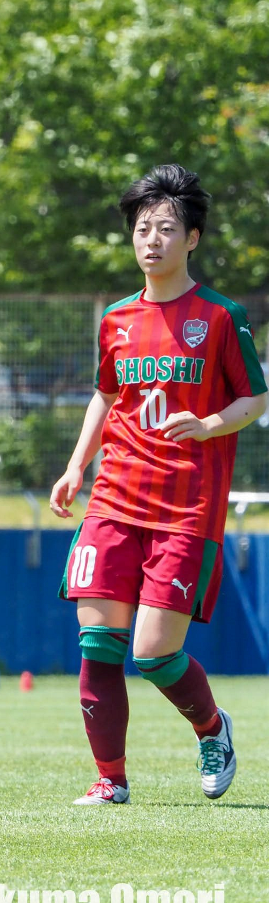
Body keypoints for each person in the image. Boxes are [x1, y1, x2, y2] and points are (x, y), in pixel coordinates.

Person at [50, 164, 266, 806]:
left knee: (152, 655)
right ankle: (110, 780)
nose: (152, 240)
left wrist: (208, 424)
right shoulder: (115, 318)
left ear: (192, 239)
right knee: (97, 645)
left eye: (167, 229)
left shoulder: (221, 317)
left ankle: (212, 728)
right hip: (114, 500)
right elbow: (106, 395)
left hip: (186, 509)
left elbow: (256, 400)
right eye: (143, 228)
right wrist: (75, 466)